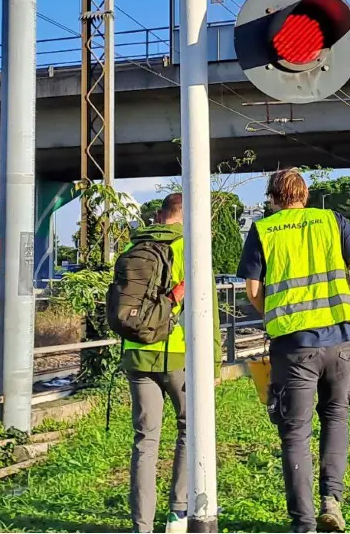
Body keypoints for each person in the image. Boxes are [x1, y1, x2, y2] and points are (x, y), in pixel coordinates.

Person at [236, 169, 350, 533]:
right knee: (336, 419)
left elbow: (253, 291)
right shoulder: (333, 221)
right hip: (341, 341)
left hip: (293, 347)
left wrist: (276, 316)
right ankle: (331, 501)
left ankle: (303, 524)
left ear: (273, 198)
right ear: (305, 195)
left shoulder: (264, 229)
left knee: (295, 433)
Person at [121, 193, 222, 533]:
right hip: (177, 353)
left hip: (136, 351)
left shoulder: (133, 247)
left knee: (145, 441)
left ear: (161, 214)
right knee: (188, 429)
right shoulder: (190, 249)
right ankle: (178, 514)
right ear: (189, 216)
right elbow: (209, 314)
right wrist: (215, 364)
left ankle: (141, 526)